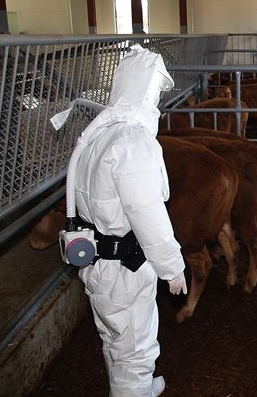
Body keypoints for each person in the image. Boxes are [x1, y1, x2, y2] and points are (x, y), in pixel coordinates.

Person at [73, 45, 186, 395]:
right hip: (125, 267)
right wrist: (172, 267)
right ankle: (133, 390)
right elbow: (147, 212)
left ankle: (134, 388)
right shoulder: (133, 141)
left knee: (114, 338)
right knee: (135, 348)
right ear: (148, 92)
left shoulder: (96, 136)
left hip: (98, 262)